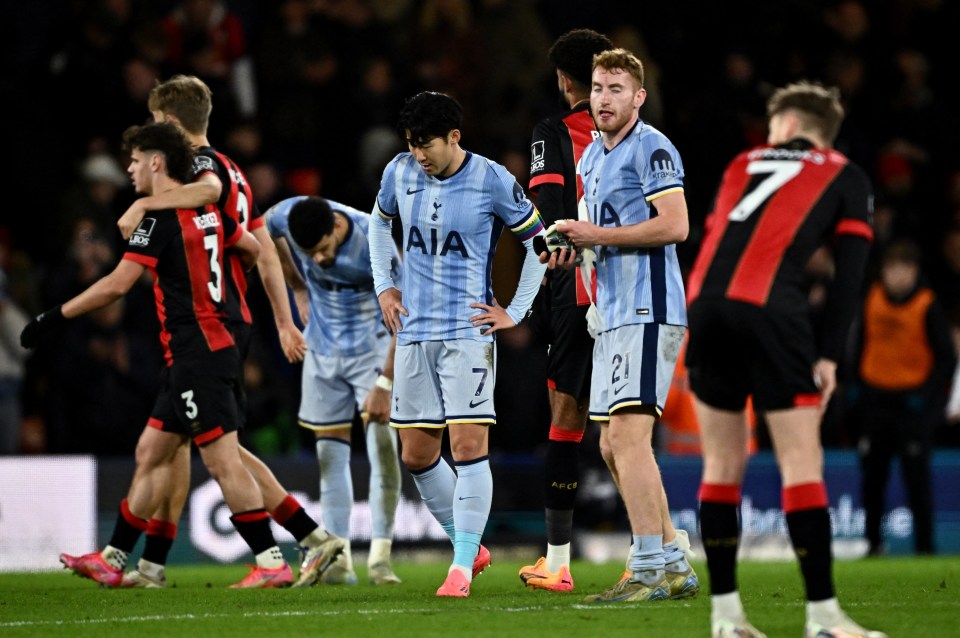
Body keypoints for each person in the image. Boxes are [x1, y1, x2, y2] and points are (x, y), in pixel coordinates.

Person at [21, 121, 296, 588]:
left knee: (221, 459)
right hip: (208, 347)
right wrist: (221, 297)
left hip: (197, 353)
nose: (128, 169)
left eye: (133, 160)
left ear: (155, 162)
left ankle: (272, 561)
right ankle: (114, 557)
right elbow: (249, 249)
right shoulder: (209, 211)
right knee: (150, 450)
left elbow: (117, 285)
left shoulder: (158, 218)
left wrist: (53, 317)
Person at [107, 75, 344, 589]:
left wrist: (146, 204)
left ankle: (280, 550)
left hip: (206, 321)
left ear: (168, 121)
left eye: (153, 122)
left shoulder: (202, 169)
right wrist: (283, 320)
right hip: (225, 322)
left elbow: (214, 199)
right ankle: (154, 563)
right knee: (187, 445)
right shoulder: (237, 171)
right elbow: (264, 253)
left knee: (209, 446)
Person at [684, 81, 886, 638]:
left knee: (722, 467)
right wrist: (827, 356)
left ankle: (726, 618)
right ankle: (823, 616)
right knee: (802, 463)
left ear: (788, 126)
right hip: (773, 312)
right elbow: (849, 277)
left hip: (702, 305)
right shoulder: (845, 172)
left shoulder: (740, 163)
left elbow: (719, 234)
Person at [368, 91, 547, 597]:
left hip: (468, 332)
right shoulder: (398, 172)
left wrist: (515, 310)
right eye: (411, 143)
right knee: (418, 453)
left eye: (426, 144)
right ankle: (469, 542)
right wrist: (385, 284)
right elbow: (379, 223)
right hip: (415, 331)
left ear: (454, 138)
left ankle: (461, 565)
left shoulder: (491, 179)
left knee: (468, 445)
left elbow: (539, 243)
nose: (418, 154)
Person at [540, 48, 697, 604]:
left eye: (616, 89)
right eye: (599, 89)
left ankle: (649, 566)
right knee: (611, 445)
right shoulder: (592, 160)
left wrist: (594, 237)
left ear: (639, 97)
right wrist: (569, 251)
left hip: (648, 309)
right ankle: (674, 558)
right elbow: (593, 235)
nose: (604, 99)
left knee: (627, 438)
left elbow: (675, 225)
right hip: (610, 314)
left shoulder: (651, 146)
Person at [264, 195, 403, 585]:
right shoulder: (286, 216)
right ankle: (339, 559)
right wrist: (295, 285)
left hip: (372, 349)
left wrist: (385, 382)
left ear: (337, 229)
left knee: (382, 449)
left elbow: (404, 312)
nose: (320, 261)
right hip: (323, 348)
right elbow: (262, 234)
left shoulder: (372, 240)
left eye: (323, 250)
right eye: (311, 255)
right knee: (328, 455)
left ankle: (380, 558)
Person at [518, 27, 612, 594]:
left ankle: (557, 559)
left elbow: (546, 202)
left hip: (576, 290)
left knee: (567, 415)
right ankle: (657, 549)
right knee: (628, 424)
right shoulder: (637, 134)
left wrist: (550, 244)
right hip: (630, 291)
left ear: (562, 80)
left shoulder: (552, 131)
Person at [850, 239, 956, 556]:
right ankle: (873, 543)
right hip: (875, 402)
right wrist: (855, 385)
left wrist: (926, 396)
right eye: (890, 269)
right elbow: (857, 345)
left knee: (917, 480)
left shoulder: (927, 305)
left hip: (911, 406)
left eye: (901, 270)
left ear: (914, 272)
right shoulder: (872, 299)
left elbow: (946, 359)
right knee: (872, 479)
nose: (895, 276)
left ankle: (925, 547)